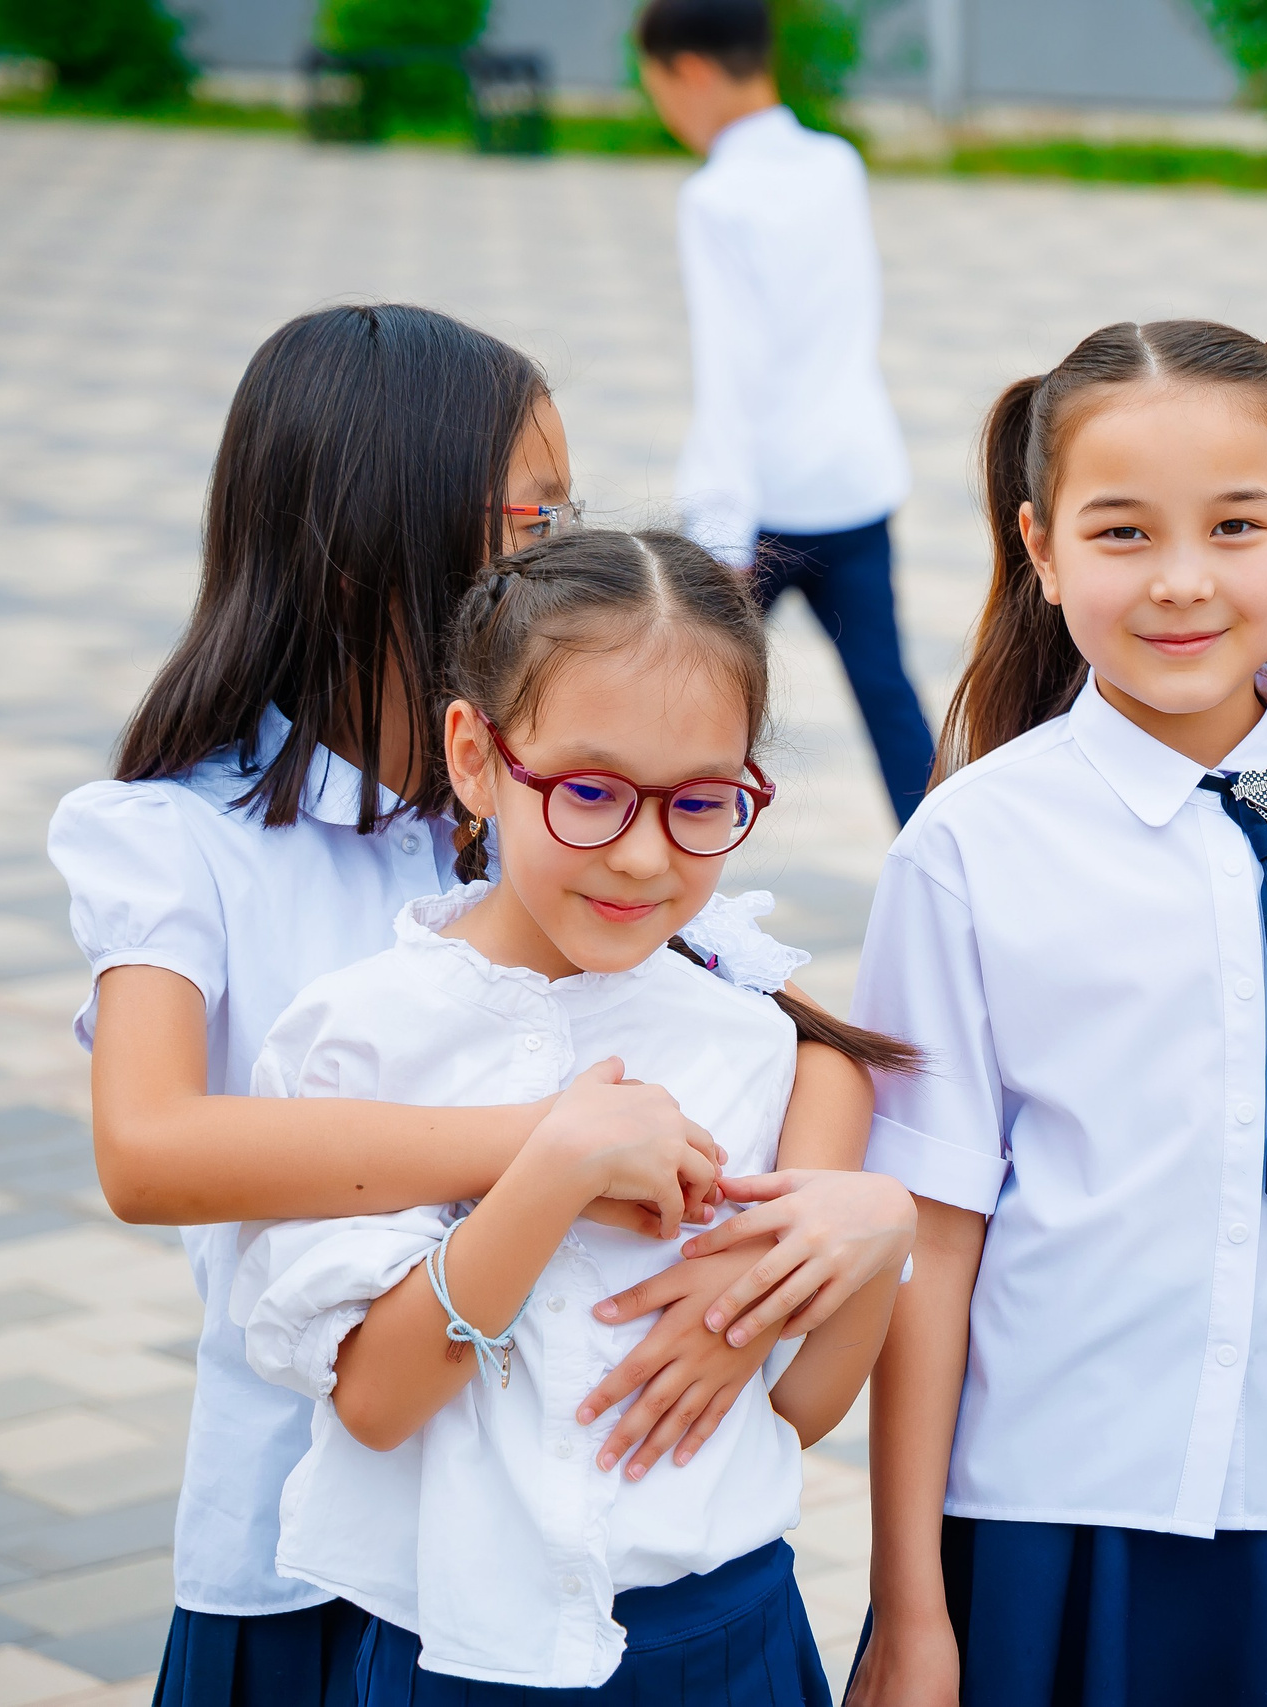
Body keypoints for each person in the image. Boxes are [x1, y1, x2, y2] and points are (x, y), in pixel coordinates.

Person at [46, 306, 903, 1707]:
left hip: (597, 1548)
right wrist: (548, 1149)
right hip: (310, 1533)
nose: (564, 546)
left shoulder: (564, 809)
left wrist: (808, 1228)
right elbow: (150, 1148)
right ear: (390, 521)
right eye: (534, 511)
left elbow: (815, 1041)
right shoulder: (182, 834)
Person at [842, 321, 1267, 1707]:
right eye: (1122, 532)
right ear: (1041, 543)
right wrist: (909, 1605)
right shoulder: (969, 845)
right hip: (1041, 1518)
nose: (1184, 581)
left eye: (1237, 524)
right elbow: (929, 1241)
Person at [235, 527, 919, 1703]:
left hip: (732, 1634)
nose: (646, 857)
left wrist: (881, 1241)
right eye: (591, 792)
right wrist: (550, 1169)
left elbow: (788, 1412)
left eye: (702, 802)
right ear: (476, 756)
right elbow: (380, 1402)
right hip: (448, 1655)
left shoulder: (744, 1039)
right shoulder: (358, 1035)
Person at [636, 0, 934, 825]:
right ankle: (962, 876)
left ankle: (669, 877)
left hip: (762, 508)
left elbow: (730, 374)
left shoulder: (717, 197)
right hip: (854, 477)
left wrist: (721, 535)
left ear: (689, 71)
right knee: (889, 697)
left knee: (688, 715)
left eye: (655, 86)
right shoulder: (836, 162)